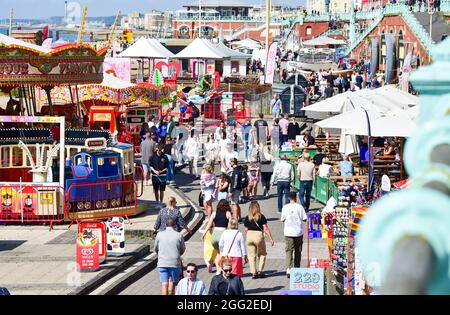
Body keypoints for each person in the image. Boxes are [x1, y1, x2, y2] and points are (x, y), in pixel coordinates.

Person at [243, 201, 275, 279]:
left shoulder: (247, 217)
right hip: (258, 236)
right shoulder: (261, 217)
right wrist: (271, 238)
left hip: (249, 236)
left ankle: (254, 273)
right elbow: (266, 228)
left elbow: (245, 229)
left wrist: (246, 237)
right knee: (262, 253)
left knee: (251, 255)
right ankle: (260, 271)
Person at [155, 218, 186, 295]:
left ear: (165, 225)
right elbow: (182, 249)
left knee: (164, 284)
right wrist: (178, 254)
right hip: (174, 263)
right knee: (176, 283)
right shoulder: (179, 235)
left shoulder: (159, 235)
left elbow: (156, 248)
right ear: (174, 225)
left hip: (163, 262)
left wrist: (160, 254)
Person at [201, 200, 233, 274]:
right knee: (223, 253)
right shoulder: (228, 213)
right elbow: (230, 226)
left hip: (214, 235)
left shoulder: (214, 213)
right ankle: (222, 269)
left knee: (217, 254)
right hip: (223, 233)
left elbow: (209, 224)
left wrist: (204, 233)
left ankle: (218, 270)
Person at [281, 192, 307, 278]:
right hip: (298, 232)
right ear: (296, 198)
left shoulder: (285, 207)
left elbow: (283, 219)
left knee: (289, 250)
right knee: (298, 251)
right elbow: (304, 219)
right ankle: (297, 268)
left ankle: (289, 269)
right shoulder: (300, 207)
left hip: (288, 232)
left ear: (289, 198)